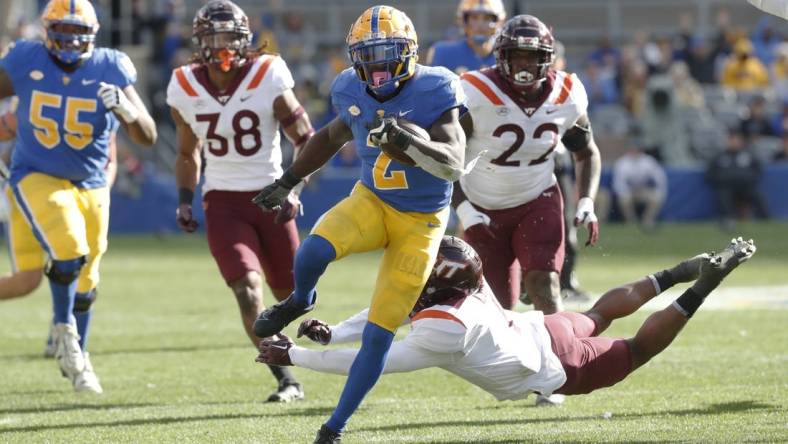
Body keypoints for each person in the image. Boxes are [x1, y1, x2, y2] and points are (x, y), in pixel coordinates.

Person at [251, 6, 466, 443]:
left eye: (388, 53)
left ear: (410, 52)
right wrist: (288, 181)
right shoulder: (350, 87)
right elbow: (330, 136)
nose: (378, 65)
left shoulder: (436, 87)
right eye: (368, 54)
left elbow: (455, 164)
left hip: (421, 221)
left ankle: (334, 427)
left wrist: (412, 140)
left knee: (379, 332)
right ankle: (300, 299)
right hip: (372, 200)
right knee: (312, 250)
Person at [258, 236, 756, 407]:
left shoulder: (445, 327)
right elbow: (390, 308)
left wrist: (297, 355)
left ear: (442, 282)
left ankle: (703, 283)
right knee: (599, 314)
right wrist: (334, 330)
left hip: (557, 363)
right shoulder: (465, 286)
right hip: (542, 327)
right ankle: (679, 272)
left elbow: (374, 361)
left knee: (636, 350)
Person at [0, 0, 157, 393]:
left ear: (92, 33)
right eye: (62, 30)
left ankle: (79, 356)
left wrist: (125, 109)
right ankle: (65, 333)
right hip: (36, 174)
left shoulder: (111, 66)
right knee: (70, 248)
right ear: (47, 31)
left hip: (91, 180)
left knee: (88, 273)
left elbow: (148, 136)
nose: (69, 39)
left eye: (77, 31)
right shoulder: (25, 59)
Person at [166, 0, 314, 403]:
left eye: (232, 36)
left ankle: (298, 352)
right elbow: (186, 153)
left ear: (246, 39)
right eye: (216, 37)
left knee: (292, 295)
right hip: (223, 201)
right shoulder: (184, 83)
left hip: (271, 194)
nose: (225, 45)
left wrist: (293, 189)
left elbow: (306, 139)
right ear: (200, 42)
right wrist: (184, 199)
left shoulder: (267, 73)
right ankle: (286, 379)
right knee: (248, 290)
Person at [452, 15, 601, 314]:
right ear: (500, 58)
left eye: (533, 57)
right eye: (516, 56)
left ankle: (561, 357)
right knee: (497, 309)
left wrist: (586, 200)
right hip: (483, 208)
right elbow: (444, 158)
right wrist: (465, 209)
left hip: (537, 199)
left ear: (548, 59)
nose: (524, 64)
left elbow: (586, 152)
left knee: (545, 285)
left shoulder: (567, 94)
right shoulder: (475, 91)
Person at [707, 128, 769, 230]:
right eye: (732, 139)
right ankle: (728, 219)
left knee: (756, 194)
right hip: (726, 186)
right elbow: (710, 173)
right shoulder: (719, 156)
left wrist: (748, 178)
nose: (734, 142)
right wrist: (722, 179)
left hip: (745, 186)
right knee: (722, 194)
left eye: (737, 139)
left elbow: (758, 169)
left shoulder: (748, 154)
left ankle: (766, 218)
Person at [425, 0, 505, 74]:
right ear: (463, 21)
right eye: (474, 17)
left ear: (499, 22)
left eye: (487, 18)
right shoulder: (443, 53)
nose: (480, 25)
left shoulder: (507, 55)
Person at [612, 142, 667, 231]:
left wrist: (657, 190)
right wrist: (628, 192)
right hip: (629, 191)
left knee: (657, 196)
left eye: (637, 150)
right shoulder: (622, 162)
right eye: (632, 150)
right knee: (623, 199)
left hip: (643, 190)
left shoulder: (648, 161)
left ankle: (647, 221)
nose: (634, 152)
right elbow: (618, 183)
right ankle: (631, 222)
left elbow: (660, 178)